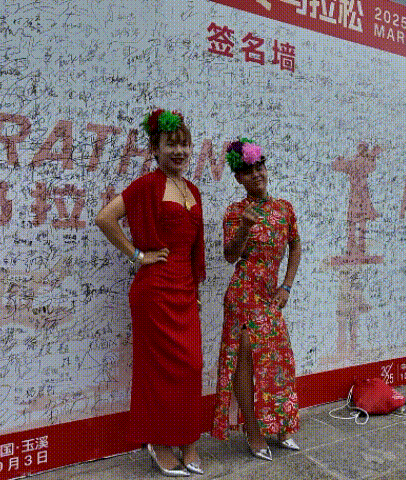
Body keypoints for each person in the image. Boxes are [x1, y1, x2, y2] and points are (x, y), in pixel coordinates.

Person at [95, 109, 205, 477]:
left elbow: (194, 247)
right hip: (155, 291)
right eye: (171, 144)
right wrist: (138, 256)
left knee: (191, 366)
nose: (179, 151)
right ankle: (159, 442)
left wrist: (195, 289)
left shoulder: (194, 191)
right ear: (155, 149)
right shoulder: (146, 185)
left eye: (184, 144)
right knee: (158, 371)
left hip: (185, 291)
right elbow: (104, 218)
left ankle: (188, 440)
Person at [212, 138, 302, 461]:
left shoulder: (284, 209)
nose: (256, 175)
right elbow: (229, 255)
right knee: (246, 355)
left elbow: (295, 245)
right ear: (239, 178)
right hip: (243, 293)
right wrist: (244, 229)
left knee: (277, 358)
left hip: (270, 295)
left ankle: (281, 426)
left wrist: (287, 286)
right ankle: (252, 431)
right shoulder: (236, 212)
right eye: (248, 172)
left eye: (259, 168)